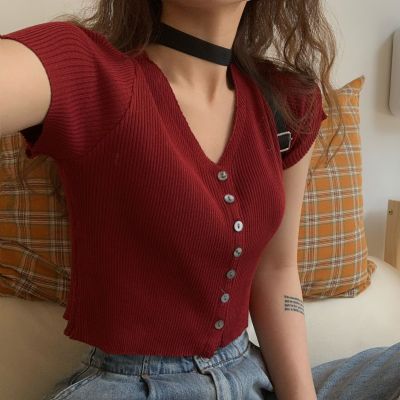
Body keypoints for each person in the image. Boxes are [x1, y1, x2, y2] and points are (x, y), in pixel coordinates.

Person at [0, 1, 399, 399]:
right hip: (132, 385)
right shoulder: (88, 70)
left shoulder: (287, 102)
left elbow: (276, 269)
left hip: (252, 375)